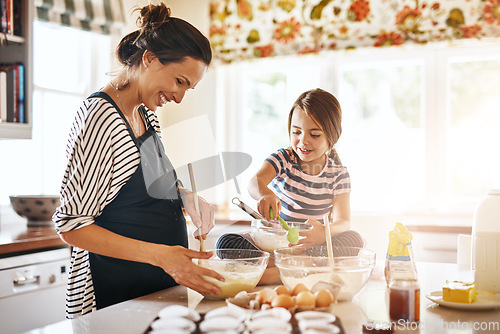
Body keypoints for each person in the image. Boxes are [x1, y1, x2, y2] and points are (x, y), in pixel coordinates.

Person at [53, 3, 224, 318]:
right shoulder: (100, 118)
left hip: (153, 295)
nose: (179, 97)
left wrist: (185, 195)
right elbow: (71, 225)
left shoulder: (145, 114)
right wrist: (162, 256)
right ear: (150, 59)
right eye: (180, 81)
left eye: (189, 88)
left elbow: (148, 182)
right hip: (110, 300)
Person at [216, 88, 364, 284]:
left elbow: (343, 221)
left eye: (314, 134)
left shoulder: (338, 174)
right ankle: (301, 269)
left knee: (354, 239)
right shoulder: (283, 159)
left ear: (332, 136)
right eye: (297, 132)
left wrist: (323, 233)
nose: (303, 141)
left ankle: (274, 271)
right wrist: (265, 194)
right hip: (274, 246)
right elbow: (255, 182)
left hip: (312, 246)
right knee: (226, 243)